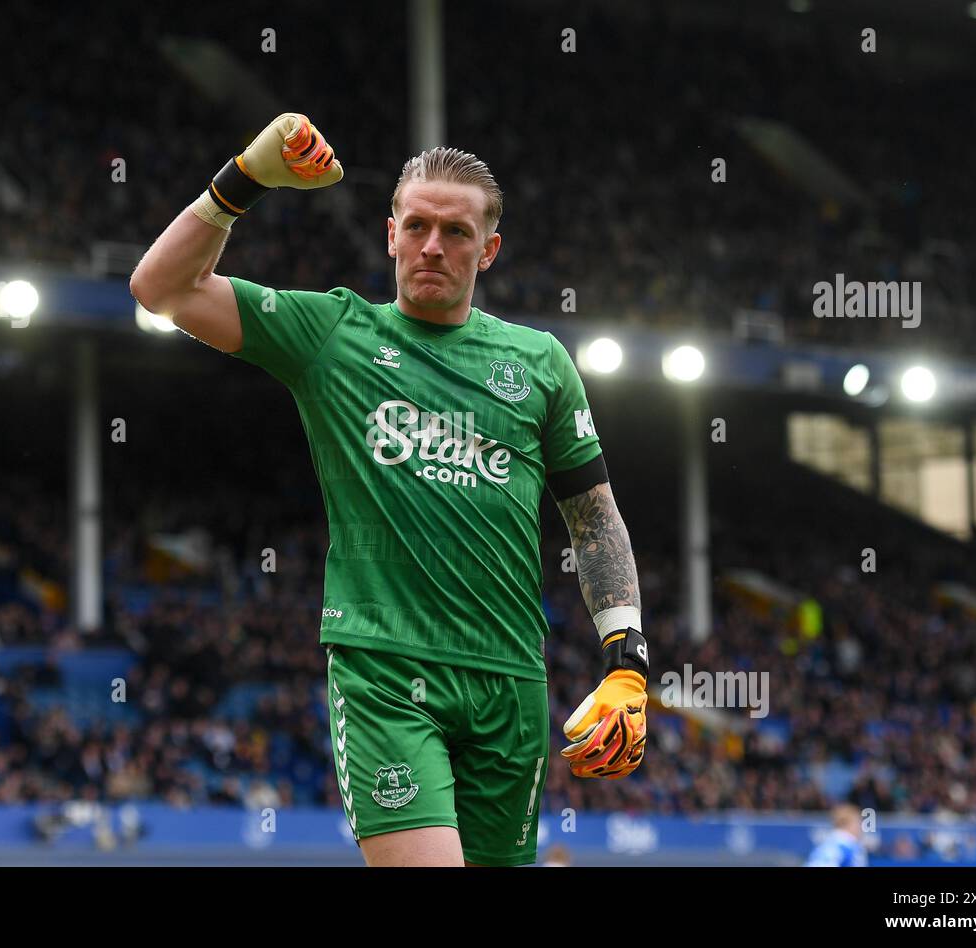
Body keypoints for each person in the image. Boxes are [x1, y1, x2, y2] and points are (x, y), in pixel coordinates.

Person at [131, 113, 649, 866]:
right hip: (385, 672)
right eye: (416, 226)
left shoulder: (539, 362)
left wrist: (627, 659)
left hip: (511, 681)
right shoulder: (331, 336)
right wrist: (245, 178)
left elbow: (593, 516)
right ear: (390, 234)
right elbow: (160, 288)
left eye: (456, 232)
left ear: (490, 249)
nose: (433, 245)